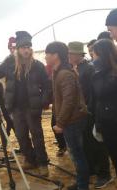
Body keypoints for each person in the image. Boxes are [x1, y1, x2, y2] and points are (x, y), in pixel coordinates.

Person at [0, 31, 50, 176]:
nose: (26, 50)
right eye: (23, 47)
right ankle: (30, 160)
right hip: (16, 108)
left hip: (32, 107)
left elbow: (48, 86)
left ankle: (43, 163)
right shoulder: (10, 63)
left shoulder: (37, 65)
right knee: (21, 135)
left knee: (37, 135)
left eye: (28, 47)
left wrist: (42, 101)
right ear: (17, 49)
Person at [45, 41, 89, 190]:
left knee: (77, 155)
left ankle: (83, 186)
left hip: (73, 121)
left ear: (55, 55)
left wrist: (61, 123)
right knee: (75, 154)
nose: (45, 57)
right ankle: (81, 183)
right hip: (71, 120)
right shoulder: (59, 72)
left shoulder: (64, 74)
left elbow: (69, 101)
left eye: (48, 54)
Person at [68, 41, 112, 189]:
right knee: (87, 142)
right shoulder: (76, 68)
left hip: (91, 111)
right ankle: (92, 169)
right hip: (83, 113)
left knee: (97, 143)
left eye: (70, 53)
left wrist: (89, 108)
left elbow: (92, 92)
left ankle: (104, 174)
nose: (68, 56)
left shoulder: (88, 69)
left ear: (76, 55)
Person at [91, 39, 117, 177]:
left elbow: (101, 93)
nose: (92, 57)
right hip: (108, 120)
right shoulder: (107, 71)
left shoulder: (107, 74)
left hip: (111, 122)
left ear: (100, 55)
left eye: (93, 54)